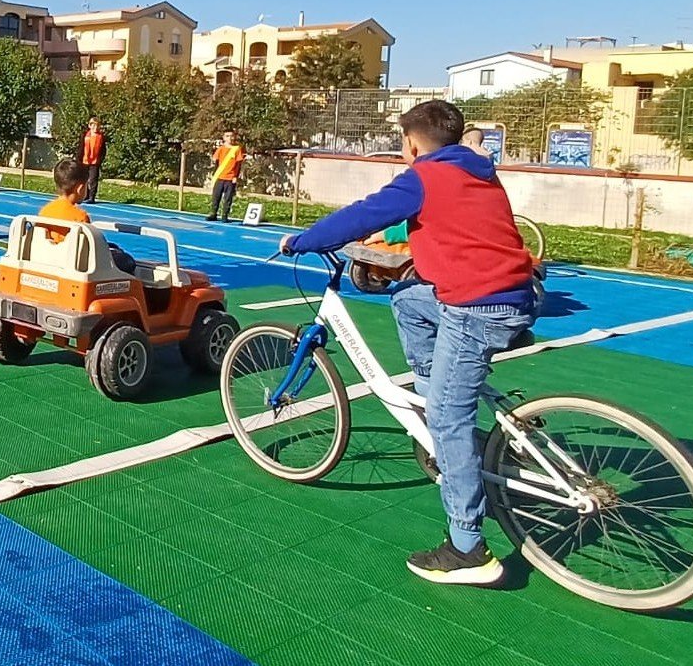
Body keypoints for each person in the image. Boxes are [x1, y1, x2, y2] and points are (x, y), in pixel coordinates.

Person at [279, 100, 535, 586]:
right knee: (410, 300)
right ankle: (433, 392)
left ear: (412, 143)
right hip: (515, 294)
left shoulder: (424, 176)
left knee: (448, 417)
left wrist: (305, 240)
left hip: (476, 307)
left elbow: (366, 212)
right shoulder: (479, 170)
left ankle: (467, 549)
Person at [40, 158, 136, 273]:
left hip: (51, 260)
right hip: (74, 264)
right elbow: (88, 249)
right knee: (126, 260)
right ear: (80, 189)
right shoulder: (80, 217)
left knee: (113, 246)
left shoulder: (45, 212)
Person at [205, 130, 245, 222]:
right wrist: (214, 175)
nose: (229, 138)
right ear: (224, 138)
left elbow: (238, 164)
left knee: (228, 198)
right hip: (219, 177)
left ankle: (225, 215)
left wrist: (236, 176)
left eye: (231, 136)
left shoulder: (237, 149)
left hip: (230, 178)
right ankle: (213, 213)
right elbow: (217, 163)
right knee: (216, 196)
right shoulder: (221, 149)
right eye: (227, 136)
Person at [78, 117, 106, 203]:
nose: (95, 128)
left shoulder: (100, 137)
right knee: (84, 179)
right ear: (90, 126)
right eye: (93, 126)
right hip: (85, 160)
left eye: (97, 126)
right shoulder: (85, 135)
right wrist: (78, 158)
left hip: (95, 162)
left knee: (93, 179)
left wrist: (100, 160)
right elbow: (81, 148)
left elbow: (103, 150)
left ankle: (92, 197)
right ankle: (85, 195)